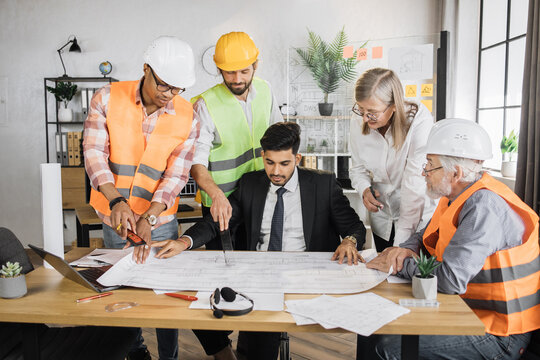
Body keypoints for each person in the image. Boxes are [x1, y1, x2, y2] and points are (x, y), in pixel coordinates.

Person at [152, 122, 367, 360]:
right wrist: (184, 241)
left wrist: (349, 241)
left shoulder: (323, 184)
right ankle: (226, 353)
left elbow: (354, 227)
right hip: (260, 270)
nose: (276, 171)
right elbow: (217, 221)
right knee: (202, 304)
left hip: (306, 272)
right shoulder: (251, 183)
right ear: (262, 156)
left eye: (284, 163)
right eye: (270, 162)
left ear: (298, 159)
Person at [362, 119, 540, 360]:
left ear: (455, 173)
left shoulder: (483, 206)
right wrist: (401, 251)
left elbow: (450, 280)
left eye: (430, 166)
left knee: (387, 346)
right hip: (465, 310)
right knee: (373, 324)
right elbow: (423, 236)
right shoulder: (454, 196)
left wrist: (398, 263)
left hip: (498, 333)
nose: (423, 172)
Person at [83, 36, 200, 360]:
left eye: (177, 89)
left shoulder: (189, 115)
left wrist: (149, 216)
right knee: (121, 283)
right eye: (164, 85)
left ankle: (169, 356)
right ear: (145, 69)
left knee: (165, 293)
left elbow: (176, 175)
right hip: (115, 216)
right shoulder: (107, 97)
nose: (169, 95)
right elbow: (94, 152)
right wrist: (117, 202)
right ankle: (135, 351)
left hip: (159, 220)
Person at [190, 31, 283, 249]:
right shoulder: (206, 105)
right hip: (221, 204)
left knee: (258, 258)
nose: (237, 79)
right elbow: (196, 164)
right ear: (219, 69)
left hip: (260, 195)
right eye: (229, 72)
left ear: (256, 65)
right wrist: (217, 196)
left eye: (244, 71)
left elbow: (280, 139)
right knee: (223, 266)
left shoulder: (266, 90)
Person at [349, 68, 437, 251]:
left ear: (394, 105)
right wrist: (364, 189)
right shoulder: (359, 119)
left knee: (407, 274)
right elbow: (357, 167)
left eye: (372, 112)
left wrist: (399, 249)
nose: (365, 118)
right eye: (360, 109)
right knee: (386, 277)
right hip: (382, 219)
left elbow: (414, 188)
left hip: (417, 219)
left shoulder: (419, 122)